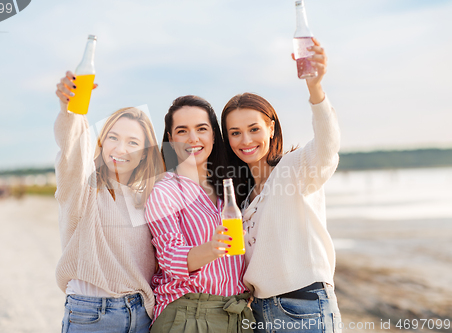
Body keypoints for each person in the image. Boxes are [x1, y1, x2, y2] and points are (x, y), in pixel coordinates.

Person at [221, 38, 342, 333]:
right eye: (235, 133)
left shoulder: (293, 169)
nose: (246, 140)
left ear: (271, 127)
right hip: (260, 312)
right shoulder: (244, 199)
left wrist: (315, 89)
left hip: (303, 306)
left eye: (254, 129)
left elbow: (327, 147)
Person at [54, 71, 164, 333]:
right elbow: (73, 150)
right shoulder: (84, 188)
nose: (120, 149)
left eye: (133, 142)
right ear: (102, 143)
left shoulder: (149, 198)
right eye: (113, 138)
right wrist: (71, 110)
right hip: (92, 315)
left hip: (141, 315)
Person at [144, 95, 254, 333]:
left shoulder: (227, 190)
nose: (193, 138)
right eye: (182, 131)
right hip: (188, 315)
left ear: (213, 135)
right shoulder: (165, 191)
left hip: (235, 313)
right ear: (171, 140)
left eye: (201, 129)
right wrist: (212, 248)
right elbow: (171, 259)